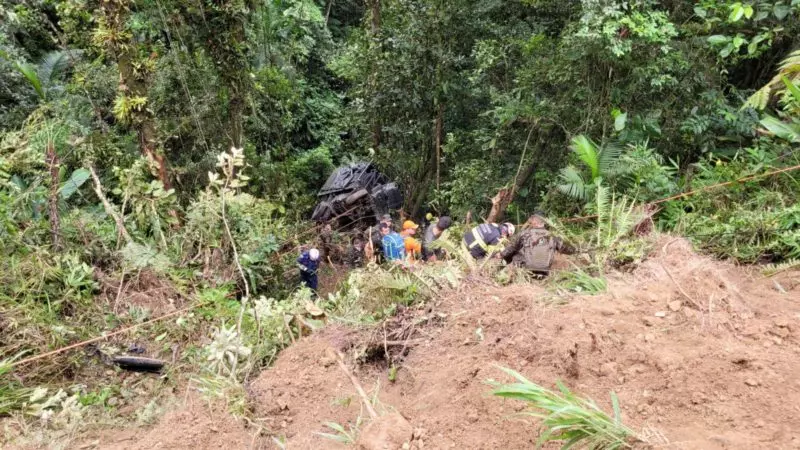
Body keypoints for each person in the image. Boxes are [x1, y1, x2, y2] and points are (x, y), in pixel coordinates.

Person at [500, 212, 572, 275]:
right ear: (544, 222)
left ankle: (509, 270)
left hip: (527, 269)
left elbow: (511, 248)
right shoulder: (553, 236)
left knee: (514, 251)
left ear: (534, 221)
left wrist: (501, 255)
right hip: (545, 270)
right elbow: (568, 249)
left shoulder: (524, 234)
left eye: (531, 221)